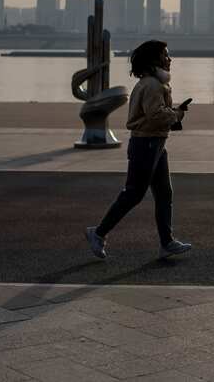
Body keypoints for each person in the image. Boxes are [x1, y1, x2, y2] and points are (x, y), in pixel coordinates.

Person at [86, 40, 192, 261]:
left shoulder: (151, 83)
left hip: (155, 144)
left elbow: (154, 113)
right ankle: (98, 233)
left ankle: (167, 242)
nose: (169, 59)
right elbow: (155, 116)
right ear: (154, 60)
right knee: (133, 194)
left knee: (164, 194)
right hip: (147, 144)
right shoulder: (152, 85)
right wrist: (177, 115)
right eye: (165, 55)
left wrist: (173, 110)